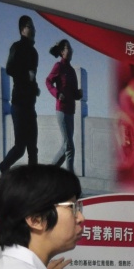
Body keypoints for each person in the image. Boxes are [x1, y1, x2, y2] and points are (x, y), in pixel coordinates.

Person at [0, 15, 40, 173]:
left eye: (33, 26)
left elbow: (32, 77)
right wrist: (26, 75)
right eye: (30, 26)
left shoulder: (34, 53)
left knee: (33, 149)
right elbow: (10, 68)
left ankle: (33, 183)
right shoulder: (16, 47)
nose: (33, 29)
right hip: (19, 104)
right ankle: (3, 167)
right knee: (20, 147)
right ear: (22, 29)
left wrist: (35, 87)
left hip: (30, 105)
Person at [46, 39, 80, 171]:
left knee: (66, 146)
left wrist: (79, 94)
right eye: (67, 48)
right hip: (62, 110)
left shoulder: (71, 71)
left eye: (71, 48)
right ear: (62, 52)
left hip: (71, 111)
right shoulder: (58, 66)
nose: (70, 50)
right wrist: (57, 93)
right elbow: (48, 81)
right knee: (70, 147)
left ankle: (49, 173)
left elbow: (74, 93)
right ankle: (70, 179)